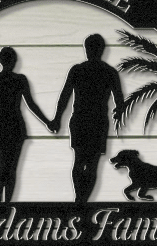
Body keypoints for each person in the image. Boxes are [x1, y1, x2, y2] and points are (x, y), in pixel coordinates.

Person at [51, 33, 125, 206]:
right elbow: (120, 100)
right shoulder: (108, 72)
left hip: (84, 120)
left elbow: (65, 97)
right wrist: (119, 110)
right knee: (90, 163)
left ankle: (80, 199)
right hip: (93, 121)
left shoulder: (79, 70)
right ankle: (81, 199)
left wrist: (57, 118)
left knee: (82, 161)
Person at [0, 47, 53, 203]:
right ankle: (6, 199)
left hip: (0, 123)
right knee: (11, 165)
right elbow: (30, 104)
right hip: (13, 123)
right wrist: (47, 122)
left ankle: (1, 196)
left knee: (5, 162)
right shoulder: (19, 79)